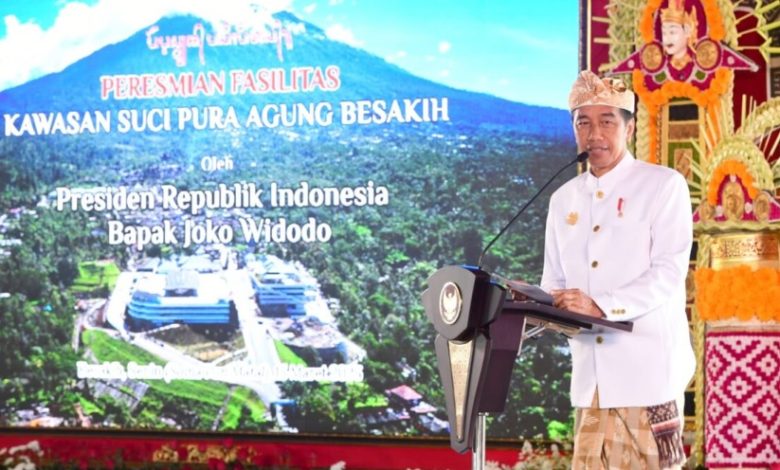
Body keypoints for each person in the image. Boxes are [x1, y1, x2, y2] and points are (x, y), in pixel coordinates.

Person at [540, 70, 696, 469]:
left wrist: (601, 305)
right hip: (590, 381)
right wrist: (543, 308)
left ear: (629, 126)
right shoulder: (562, 199)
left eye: (606, 121)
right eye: (583, 122)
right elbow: (553, 282)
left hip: (646, 375)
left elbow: (667, 273)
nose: (595, 134)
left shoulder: (663, 185)